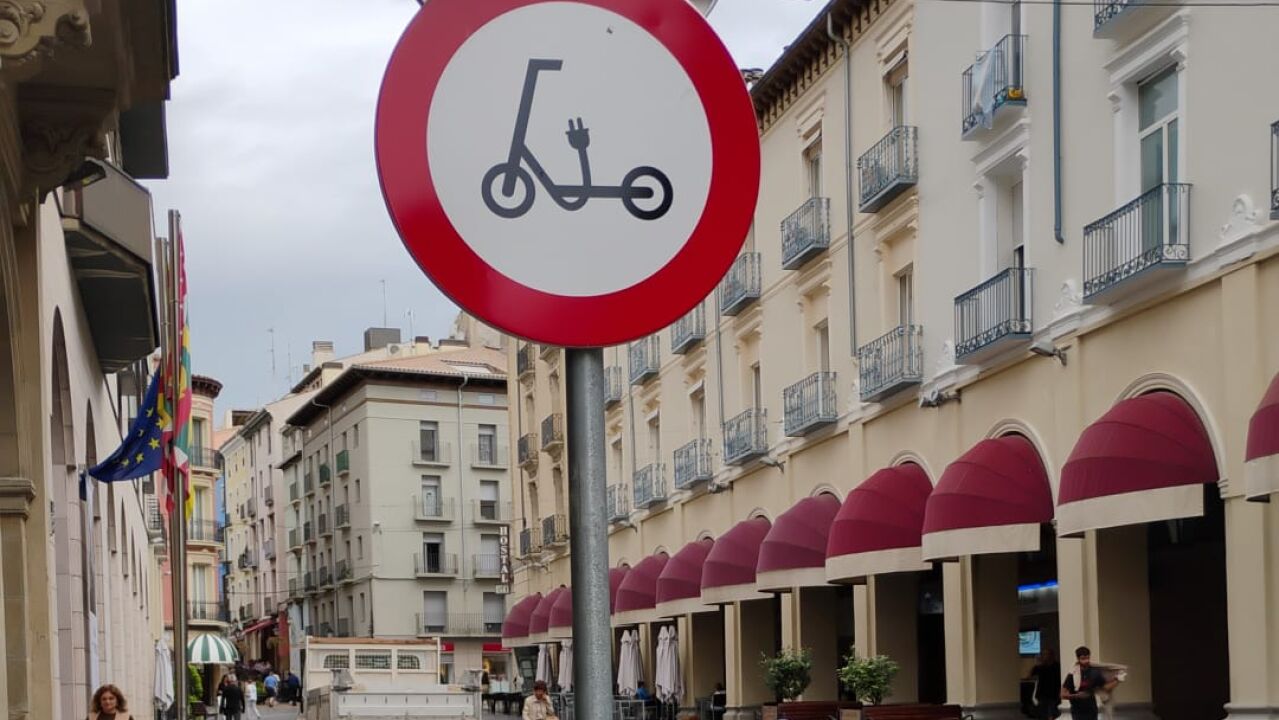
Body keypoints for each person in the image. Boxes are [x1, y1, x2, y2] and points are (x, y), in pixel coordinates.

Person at [1061, 646, 1118, 720]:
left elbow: (1105, 688)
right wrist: (1077, 696)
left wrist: (1117, 680)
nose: (1086, 661)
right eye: (1083, 658)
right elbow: (1062, 695)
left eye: (1087, 658)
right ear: (1078, 659)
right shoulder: (1073, 674)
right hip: (1077, 711)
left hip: (1092, 710)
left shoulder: (1094, 672)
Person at [1028, 648, 1061, 719]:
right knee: (1042, 714)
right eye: (1043, 655)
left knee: (1052, 713)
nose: (1045, 656)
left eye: (1046, 654)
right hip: (1041, 694)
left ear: (1052, 655)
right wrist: (1036, 664)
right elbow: (1030, 676)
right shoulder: (1040, 667)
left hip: (1054, 694)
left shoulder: (1057, 666)